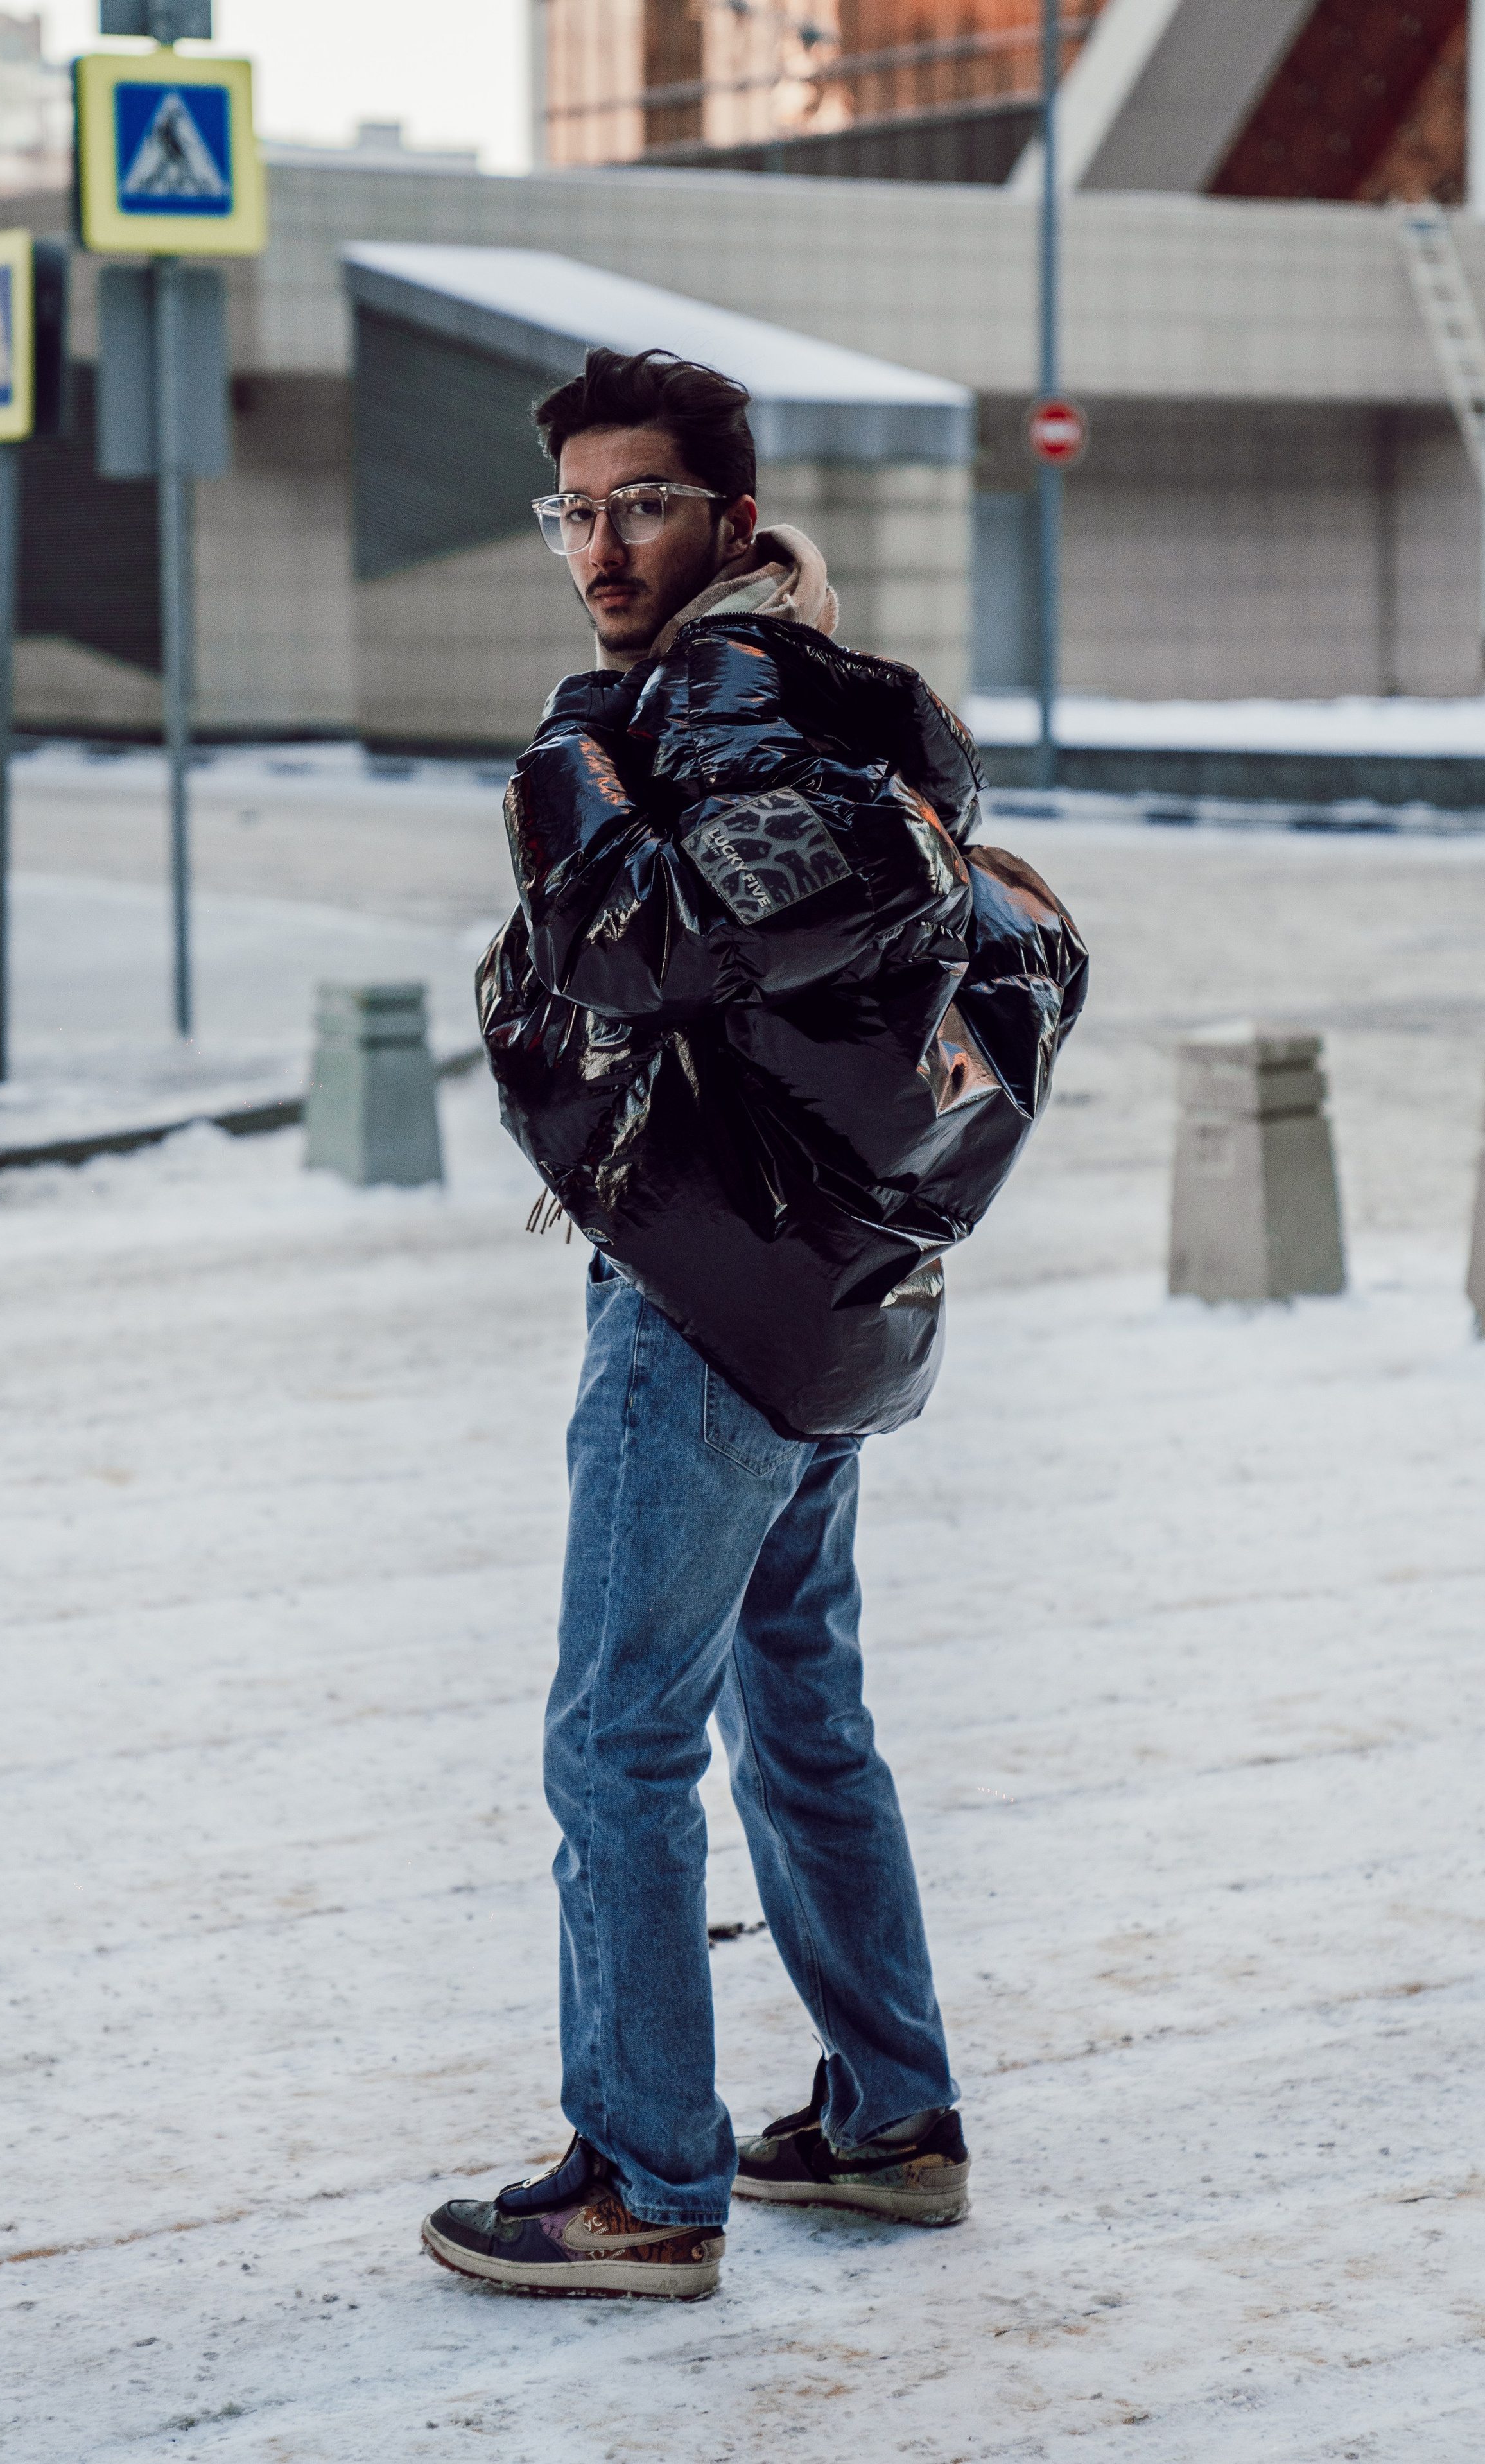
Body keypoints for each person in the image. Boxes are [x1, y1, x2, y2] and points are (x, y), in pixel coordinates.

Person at [422, 349, 1086, 2301]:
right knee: (799, 1720)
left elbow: (627, 941)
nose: (599, 546)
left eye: (639, 503)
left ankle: (643, 2182)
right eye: (573, 510)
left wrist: (571, 752)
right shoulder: (806, 700)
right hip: (820, 1305)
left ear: (729, 513)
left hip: (711, 1306)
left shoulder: (727, 713)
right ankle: (889, 2119)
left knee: (618, 1743)